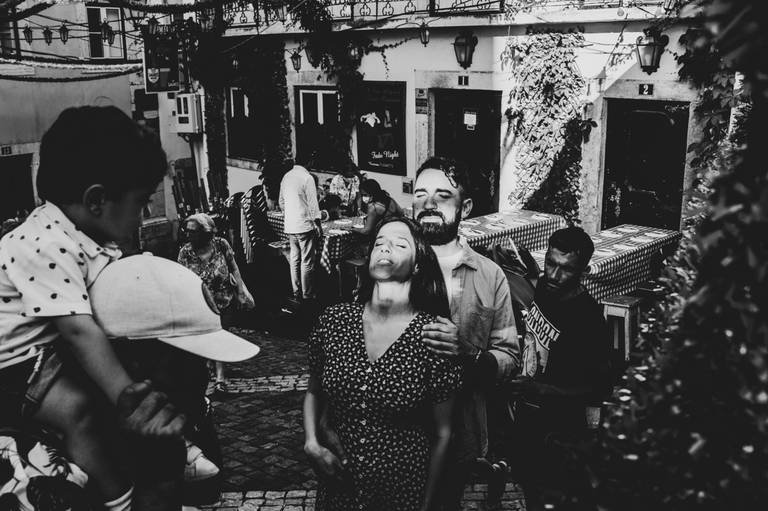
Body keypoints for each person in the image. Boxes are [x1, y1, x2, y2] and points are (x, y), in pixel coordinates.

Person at [0, 105, 180, 511]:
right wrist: (132, 401)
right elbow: (79, 331)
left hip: (41, 354)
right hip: (12, 365)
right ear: (97, 200)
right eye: (140, 202)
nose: (144, 215)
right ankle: (118, 497)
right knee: (77, 409)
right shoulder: (45, 242)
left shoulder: (88, 240)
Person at [304, 217, 462, 511]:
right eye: (379, 243)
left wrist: (426, 505)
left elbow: (443, 433)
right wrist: (312, 441)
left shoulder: (433, 335)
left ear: (417, 265)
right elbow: (314, 391)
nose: (385, 248)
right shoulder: (335, 321)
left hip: (402, 491)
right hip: (340, 489)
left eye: (400, 244)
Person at [91, 253, 261, 506]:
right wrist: (156, 479)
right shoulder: (59, 463)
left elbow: (207, 493)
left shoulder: (184, 415)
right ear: (134, 362)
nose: (203, 376)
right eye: (186, 363)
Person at [413, 156, 521, 510]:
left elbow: (509, 357)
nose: (428, 203)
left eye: (443, 195)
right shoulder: (392, 264)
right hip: (394, 430)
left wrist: (469, 353)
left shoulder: (489, 275)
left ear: (466, 207)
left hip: (460, 431)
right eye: (420, 194)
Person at [508, 226, 612, 511]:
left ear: (584, 271)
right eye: (550, 263)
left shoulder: (588, 320)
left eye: (566, 269)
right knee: (529, 489)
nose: (554, 275)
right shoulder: (543, 287)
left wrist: (540, 389)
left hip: (559, 435)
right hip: (527, 422)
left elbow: (599, 388)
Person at [177, 213, 254, 394]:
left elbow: (234, 268)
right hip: (199, 303)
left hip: (223, 300)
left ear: (205, 232)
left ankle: (220, 378)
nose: (188, 235)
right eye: (187, 231)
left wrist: (241, 290)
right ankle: (210, 363)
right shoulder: (185, 252)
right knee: (207, 337)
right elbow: (179, 278)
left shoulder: (221, 244)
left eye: (192, 231)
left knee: (219, 335)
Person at [279, 162, 322, 304]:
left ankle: (296, 292)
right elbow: (313, 205)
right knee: (307, 261)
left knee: (295, 259)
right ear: (308, 162)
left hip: (291, 225)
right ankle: (307, 295)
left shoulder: (287, 176)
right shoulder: (307, 178)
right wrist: (318, 224)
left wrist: (289, 215)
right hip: (304, 225)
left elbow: (281, 201)